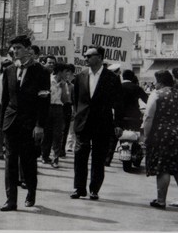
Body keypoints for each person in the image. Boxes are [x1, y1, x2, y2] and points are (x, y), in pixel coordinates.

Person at [0, 35, 50, 211]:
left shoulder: (41, 72)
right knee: (10, 161)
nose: (15, 51)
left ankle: (31, 192)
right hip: (11, 122)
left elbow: (44, 101)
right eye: (13, 48)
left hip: (30, 124)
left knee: (28, 162)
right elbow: (5, 100)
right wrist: (1, 125)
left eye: (19, 48)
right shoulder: (9, 70)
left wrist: (40, 125)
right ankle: (11, 200)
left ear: (29, 49)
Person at [70, 45, 123, 201]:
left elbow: (118, 103)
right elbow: (76, 99)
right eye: (85, 55)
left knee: (98, 158)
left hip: (102, 123)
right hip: (83, 123)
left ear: (99, 57)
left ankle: (94, 189)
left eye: (89, 56)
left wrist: (118, 124)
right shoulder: (80, 76)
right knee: (80, 156)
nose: (85, 58)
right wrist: (77, 116)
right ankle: (79, 188)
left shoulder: (112, 78)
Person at [142, 70, 178, 211]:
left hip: (161, 135)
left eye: (156, 81)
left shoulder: (156, 94)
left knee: (163, 167)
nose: (155, 84)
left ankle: (161, 200)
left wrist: (147, 136)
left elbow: (148, 117)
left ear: (160, 81)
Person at [40, 63, 72, 168]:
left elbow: (65, 100)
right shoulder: (48, 80)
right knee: (47, 133)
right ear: (59, 72)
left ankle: (56, 158)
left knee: (58, 134)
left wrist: (62, 87)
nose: (67, 74)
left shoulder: (65, 84)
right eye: (65, 72)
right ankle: (44, 156)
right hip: (47, 108)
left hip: (59, 109)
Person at [0, 57, 13, 160]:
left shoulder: (13, 77)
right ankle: (0, 150)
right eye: (4, 66)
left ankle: (7, 148)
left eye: (8, 66)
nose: (6, 68)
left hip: (10, 107)